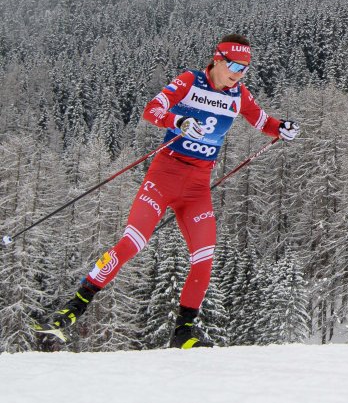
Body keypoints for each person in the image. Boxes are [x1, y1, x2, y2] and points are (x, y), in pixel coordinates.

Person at [33, 34, 299, 348]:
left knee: (204, 258)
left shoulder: (239, 95)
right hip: (164, 177)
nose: (238, 73)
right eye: (233, 64)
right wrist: (179, 120)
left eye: (244, 68)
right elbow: (152, 109)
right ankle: (72, 309)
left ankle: (183, 334)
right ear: (217, 59)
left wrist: (281, 127)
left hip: (197, 188)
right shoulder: (190, 81)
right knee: (132, 243)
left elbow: (263, 121)